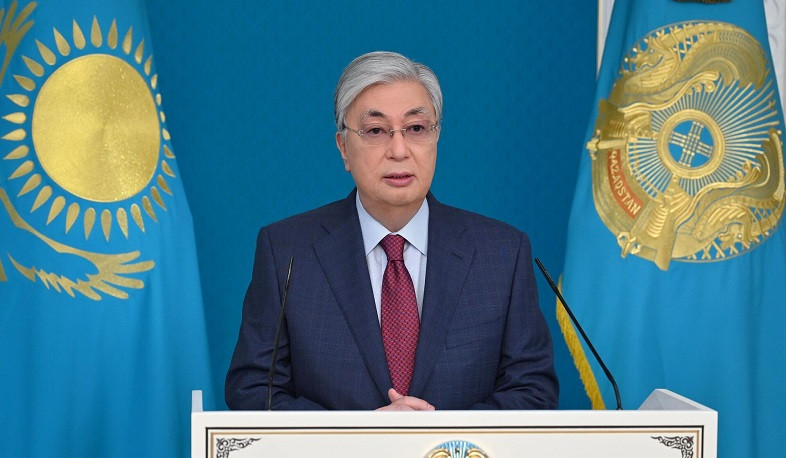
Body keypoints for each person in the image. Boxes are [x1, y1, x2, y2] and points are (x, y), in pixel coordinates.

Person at [225, 51, 559, 411]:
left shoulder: (502, 254)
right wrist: (363, 435)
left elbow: (532, 389)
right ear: (343, 148)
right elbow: (254, 389)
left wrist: (439, 437)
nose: (399, 151)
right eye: (375, 131)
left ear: (436, 137)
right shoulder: (287, 252)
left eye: (416, 129)